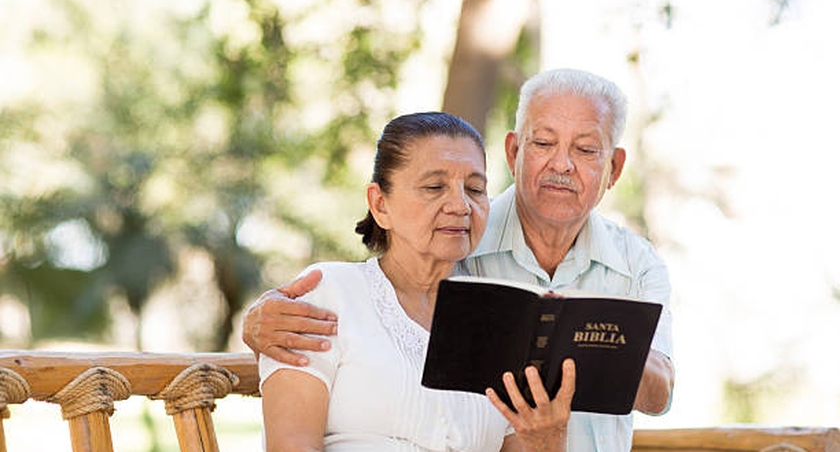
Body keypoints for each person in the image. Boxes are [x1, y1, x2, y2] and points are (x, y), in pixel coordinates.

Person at [245, 70, 675, 452]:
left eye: (474, 188)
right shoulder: (339, 291)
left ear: (614, 167)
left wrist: (574, 347)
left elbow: (659, 393)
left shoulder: (635, 265)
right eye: (543, 143)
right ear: (514, 152)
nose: (460, 207)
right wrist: (257, 318)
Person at [258, 111, 575, 452]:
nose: (460, 205)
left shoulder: (504, 321)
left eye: (475, 189)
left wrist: (548, 440)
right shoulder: (327, 293)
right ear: (381, 205)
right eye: (434, 187)